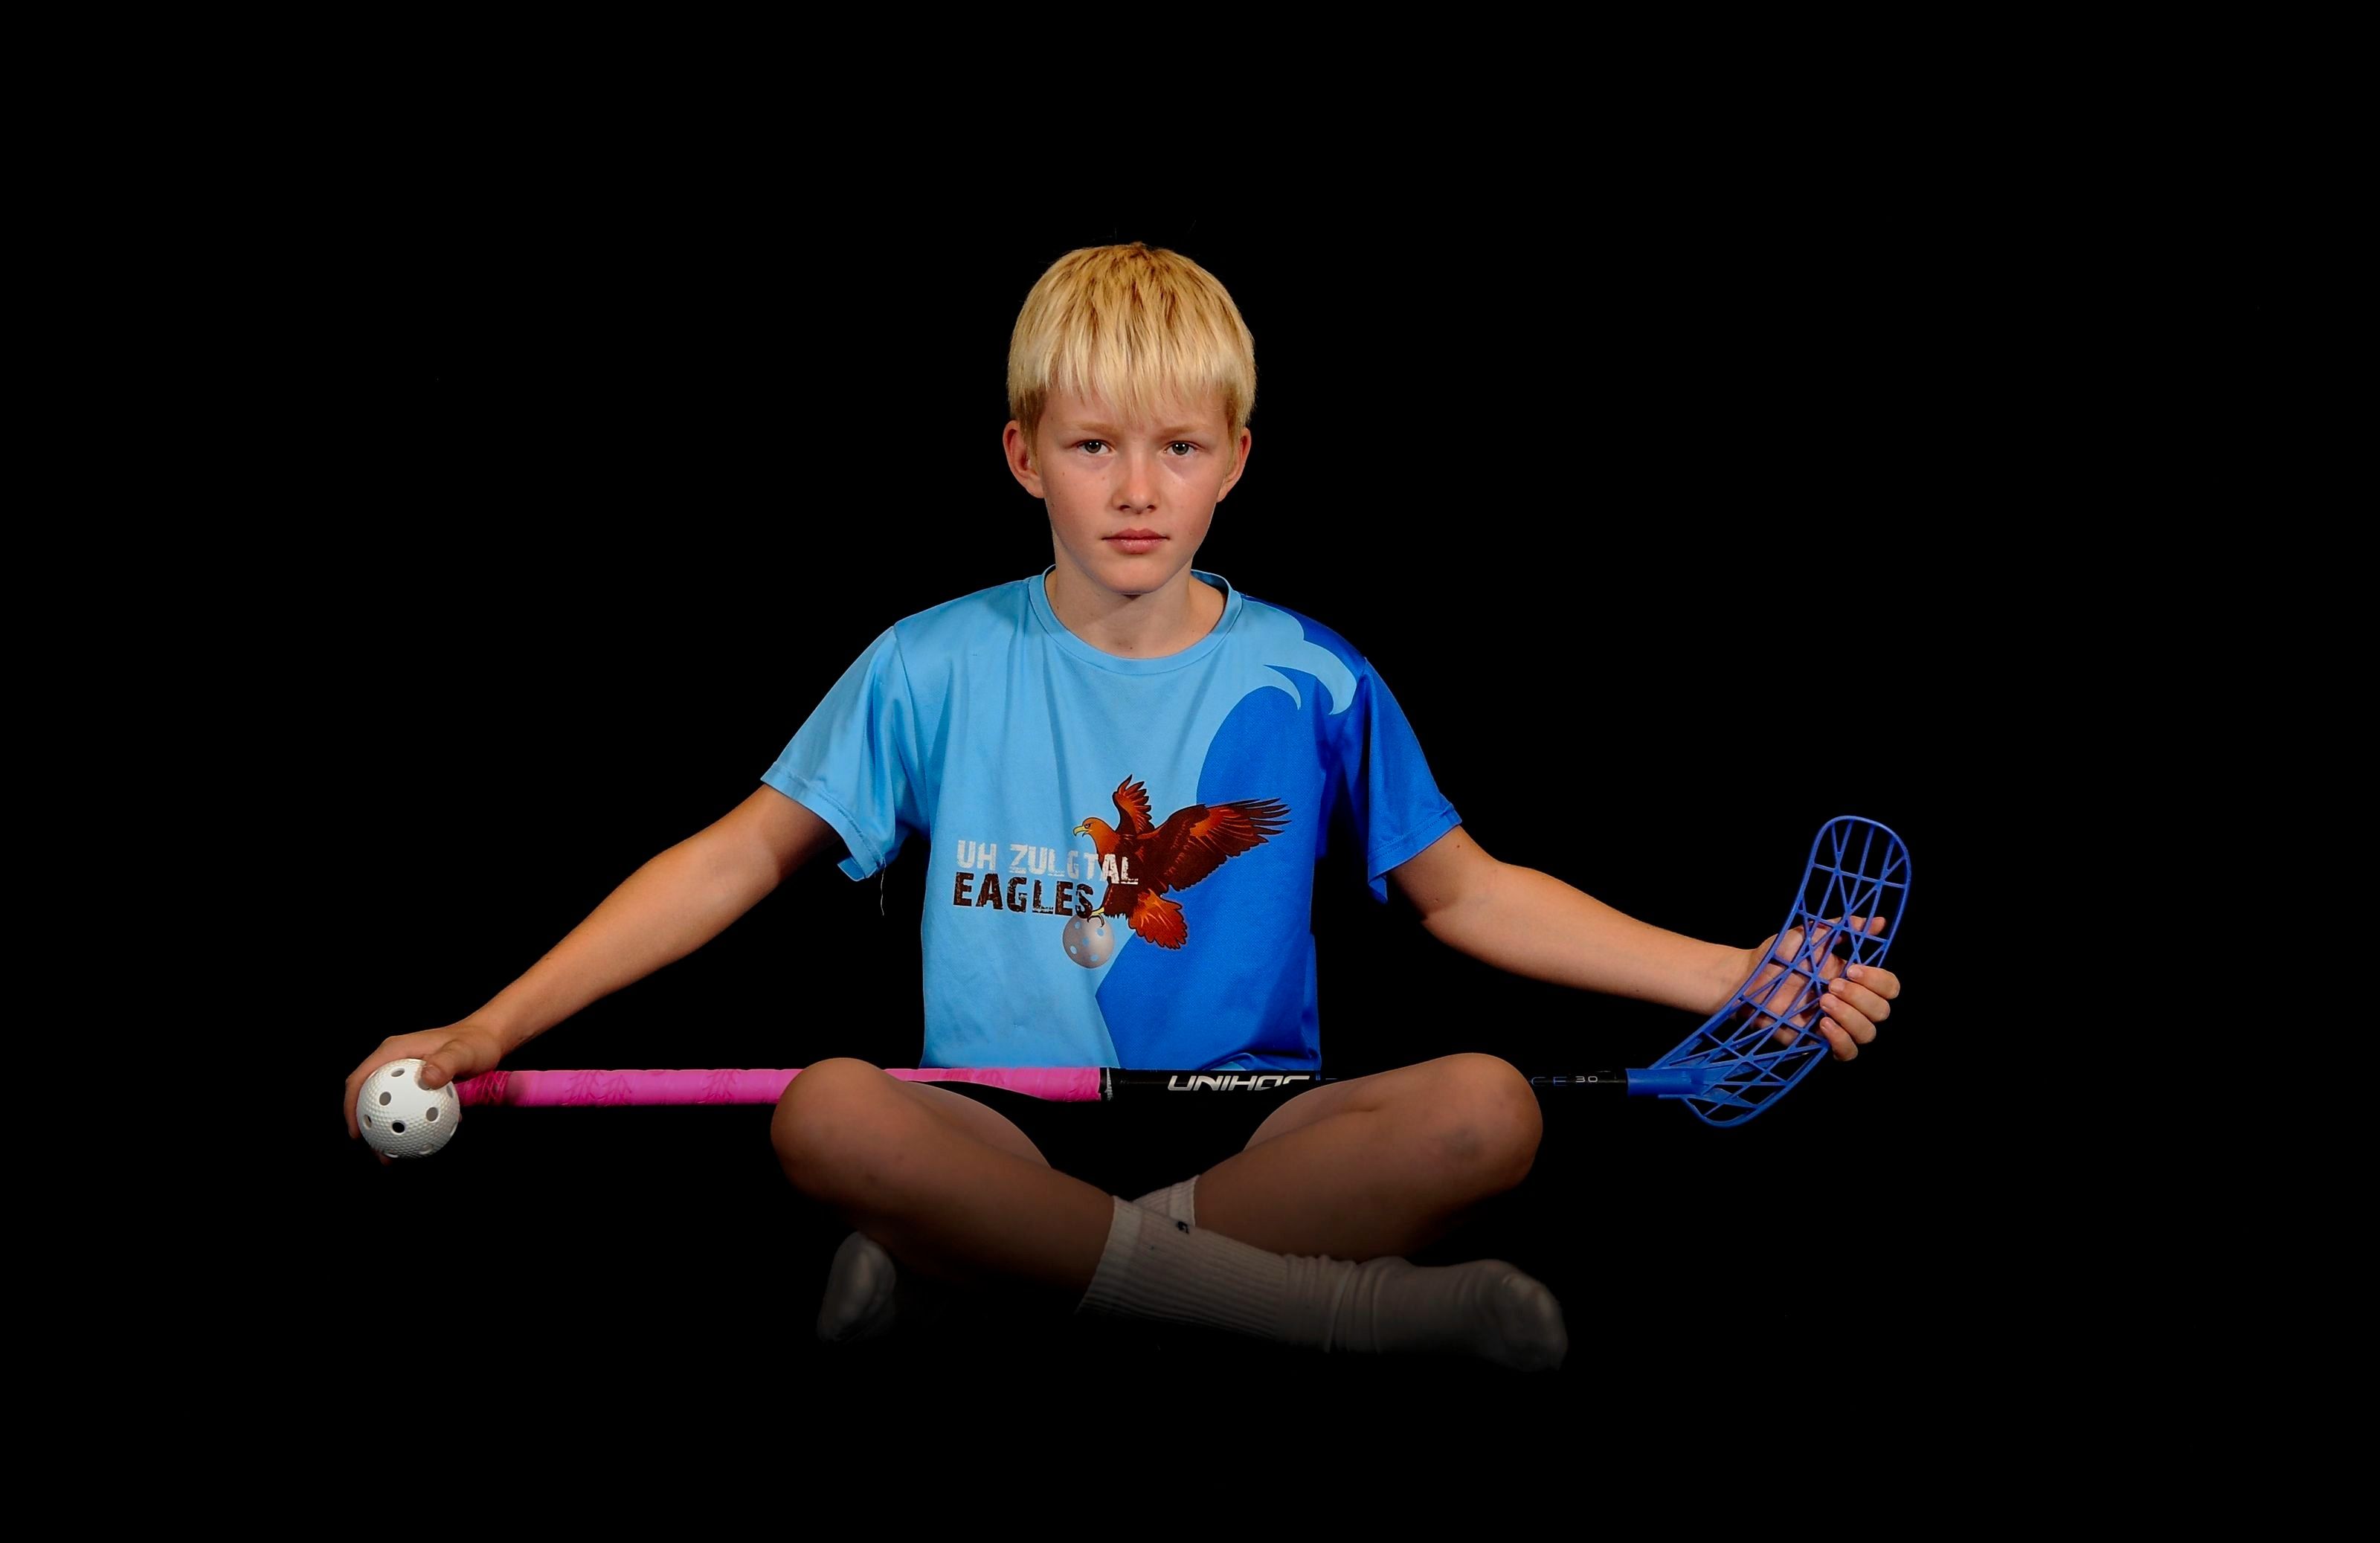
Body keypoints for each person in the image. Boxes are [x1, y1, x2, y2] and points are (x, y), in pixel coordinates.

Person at [341, 242, 1900, 1372]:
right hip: (990, 1120)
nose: (1137, 489)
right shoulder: (932, 661)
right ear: (1025, 456)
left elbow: (1469, 891)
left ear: (1237, 460)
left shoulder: (1312, 675)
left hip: (1248, 1127)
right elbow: (735, 857)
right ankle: (1333, 1313)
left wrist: (1733, 971)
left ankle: (977, 1280)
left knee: (1487, 1108)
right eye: (1094, 446)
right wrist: (489, 1025)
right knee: (829, 1109)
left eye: (1178, 447)